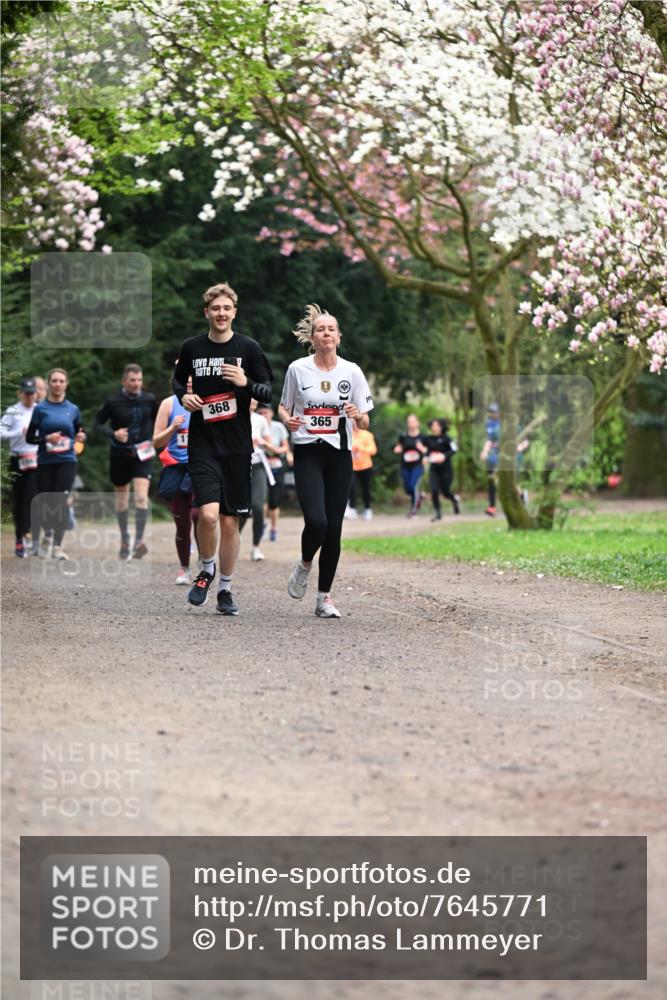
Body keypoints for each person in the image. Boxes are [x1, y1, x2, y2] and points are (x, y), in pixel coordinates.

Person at [172, 281, 273, 614]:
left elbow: (267, 392)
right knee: (209, 515)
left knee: (231, 522)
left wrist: (245, 383)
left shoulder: (249, 348)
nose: (221, 313)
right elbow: (176, 379)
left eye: (226, 308)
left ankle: (225, 590)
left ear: (234, 312)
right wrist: (182, 396)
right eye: (215, 308)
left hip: (237, 446)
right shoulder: (192, 347)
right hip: (203, 443)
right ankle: (206, 569)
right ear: (207, 312)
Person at [279, 304, 374, 619]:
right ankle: (305, 563)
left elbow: (365, 423)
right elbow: (283, 407)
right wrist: (288, 421)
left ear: (338, 336)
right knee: (316, 521)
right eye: (321, 329)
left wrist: (357, 415)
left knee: (333, 529)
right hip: (308, 451)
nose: (326, 333)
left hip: (339, 455)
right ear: (313, 336)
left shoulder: (352, 372)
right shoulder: (297, 369)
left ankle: (324, 599)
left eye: (331, 329)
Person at [95, 364, 158, 559]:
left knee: (140, 497)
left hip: (142, 454)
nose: (136, 384)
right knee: (122, 499)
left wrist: (157, 439)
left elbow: (159, 422)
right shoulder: (113, 400)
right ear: (124, 381)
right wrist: (113, 433)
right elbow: (96, 425)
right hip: (119, 455)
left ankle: (138, 542)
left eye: (139, 380)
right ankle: (124, 539)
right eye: (132, 380)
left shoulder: (149, 399)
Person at [26, 368, 86, 559]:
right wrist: (46, 439)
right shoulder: (40, 409)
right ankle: (48, 533)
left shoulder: (73, 409)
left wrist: (81, 438)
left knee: (60, 501)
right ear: (49, 383)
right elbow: (30, 438)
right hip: (45, 461)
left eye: (61, 381)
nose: (57, 384)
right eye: (54, 381)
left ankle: (58, 547)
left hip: (66, 460)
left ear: (66, 384)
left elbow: (80, 434)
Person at [152, 391, 199, 585]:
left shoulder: (208, 399)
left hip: (200, 467)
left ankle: (205, 564)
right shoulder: (168, 404)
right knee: (183, 523)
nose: (189, 381)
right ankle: (185, 568)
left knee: (200, 516)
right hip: (176, 470)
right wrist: (173, 427)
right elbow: (156, 441)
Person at [1, 377, 40, 557]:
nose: (29, 397)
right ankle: (19, 539)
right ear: (20, 393)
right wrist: (18, 432)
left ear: (36, 394)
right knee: (19, 500)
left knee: (32, 499)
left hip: (35, 459)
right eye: (26, 393)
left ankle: (29, 535)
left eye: (32, 394)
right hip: (17, 459)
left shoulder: (40, 410)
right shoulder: (13, 411)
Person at [238, 399, 275, 561]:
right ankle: (234, 537)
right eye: (249, 398)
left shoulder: (260, 420)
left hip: (258, 465)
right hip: (239, 467)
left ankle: (256, 547)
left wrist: (263, 442)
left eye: (254, 399)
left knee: (258, 507)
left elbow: (271, 446)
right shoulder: (234, 417)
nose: (252, 401)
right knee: (241, 509)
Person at [257, 402, 291, 541]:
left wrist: (278, 450)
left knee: (274, 501)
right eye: (261, 413)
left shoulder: (279, 427)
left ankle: (274, 529)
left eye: (266, 412)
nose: (264, 415)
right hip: (261, 466)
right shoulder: (255, 427)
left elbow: (285, 447)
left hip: (277, 466)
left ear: (272, 413)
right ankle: (262, 525)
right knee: (261, 499)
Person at [425, 417, 460, 521]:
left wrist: (444, 456)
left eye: (437, 426)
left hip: (446, 470)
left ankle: (454, 500)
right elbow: (427, 451)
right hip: (434, 469)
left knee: (445, 492)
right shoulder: (428, 439)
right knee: (434, 490)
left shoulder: (446, 438)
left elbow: (454, 450)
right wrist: (426, 457)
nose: (434, 428)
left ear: (441, 427)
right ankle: (438, 512)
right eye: (433, 426)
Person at [393, 413, 427, 516]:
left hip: (418, 466)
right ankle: (419, 496)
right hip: (405, 466)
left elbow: (427, 450)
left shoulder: (423, 437)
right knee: (408, 489)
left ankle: (413, 510)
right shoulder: (403, 436)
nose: (411, 424)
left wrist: (423, 450)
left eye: (413, 421)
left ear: (418, 423)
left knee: (413, 486)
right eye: (409, 422)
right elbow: (398, 447)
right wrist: (397, 449)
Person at [345, 424, 377, 520]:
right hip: (351, 466)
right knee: (351, 487)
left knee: (365, 488)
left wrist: (360, 448)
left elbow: (373, 450)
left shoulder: (368, 435)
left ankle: (367, 508)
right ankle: (352, 509)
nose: (355, 424)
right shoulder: (348, 434)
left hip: (365, 466)